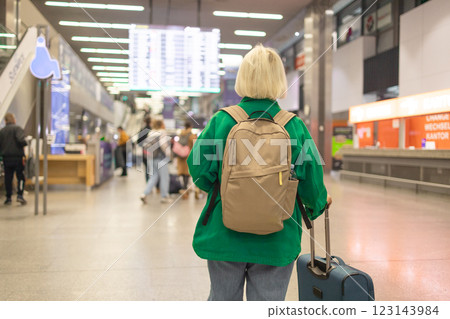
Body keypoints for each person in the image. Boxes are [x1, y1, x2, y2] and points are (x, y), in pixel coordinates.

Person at [187, 44, 332, 301]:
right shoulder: (294, 126)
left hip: (224, 234)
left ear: (243, 78)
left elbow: (198, 170)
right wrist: (317, 206)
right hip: (277, 237)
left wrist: (224, 187)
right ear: (278, 79)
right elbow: (312, 180)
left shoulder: (222, 121)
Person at [140, 119, 171, 204]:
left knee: (153, 177)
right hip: (161, 158)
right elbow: (163, 144)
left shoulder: (151, 133)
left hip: (150, 158)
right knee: (164, 177)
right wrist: (168, 153)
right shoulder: (162, 132)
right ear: (161, 124)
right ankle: (164, 196)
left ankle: (144, 194)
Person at [0, 113, 28, 205]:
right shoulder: (17, 129)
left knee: (8, 177)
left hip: (6, 158)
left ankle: (8, 198)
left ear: (5, 121)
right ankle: (20, 195)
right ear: (14, 120)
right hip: (17, 157)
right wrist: (25, 143)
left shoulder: (2, 131)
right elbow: (21, 140)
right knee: (20, 176)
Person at [176, 121, 196, 199]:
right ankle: (185, 190)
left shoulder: (181, 134)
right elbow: (195, 144)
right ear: (190, 126)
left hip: (180, 157)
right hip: (187, 157)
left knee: (183, 175)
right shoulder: (191, 135)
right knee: (187, 175)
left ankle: (184, 189)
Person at [137, 116, 152, 182]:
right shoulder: (153, 129)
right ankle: (153, 182)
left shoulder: (143, 130)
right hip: (154, 151)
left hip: (145, 150)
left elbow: (139, 142)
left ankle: (148, 181)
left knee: (147, 167)